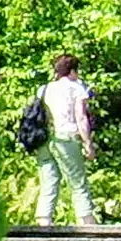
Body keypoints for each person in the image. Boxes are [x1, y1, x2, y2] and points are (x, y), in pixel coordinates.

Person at [35, 54, 96, 226]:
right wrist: (87, 144)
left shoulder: (44, 89)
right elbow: (81, 118)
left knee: (49, 179)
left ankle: (43, 220)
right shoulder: (76, 88)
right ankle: (86, 220)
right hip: (67, 138)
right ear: (73, 71)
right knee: (77, 180)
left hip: (46, 140)